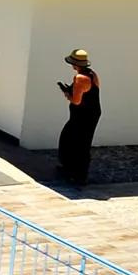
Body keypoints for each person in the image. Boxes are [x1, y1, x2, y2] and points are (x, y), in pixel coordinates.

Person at [56, 49, 102, 187]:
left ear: (75, 64)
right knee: (70, 140)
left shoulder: (80, 78)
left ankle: (79, 176)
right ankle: (70, 169)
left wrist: (66, 94)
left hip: (83, 115)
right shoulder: (92, 74)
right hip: (90, 113)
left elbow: (76, 101)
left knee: (80, 144)